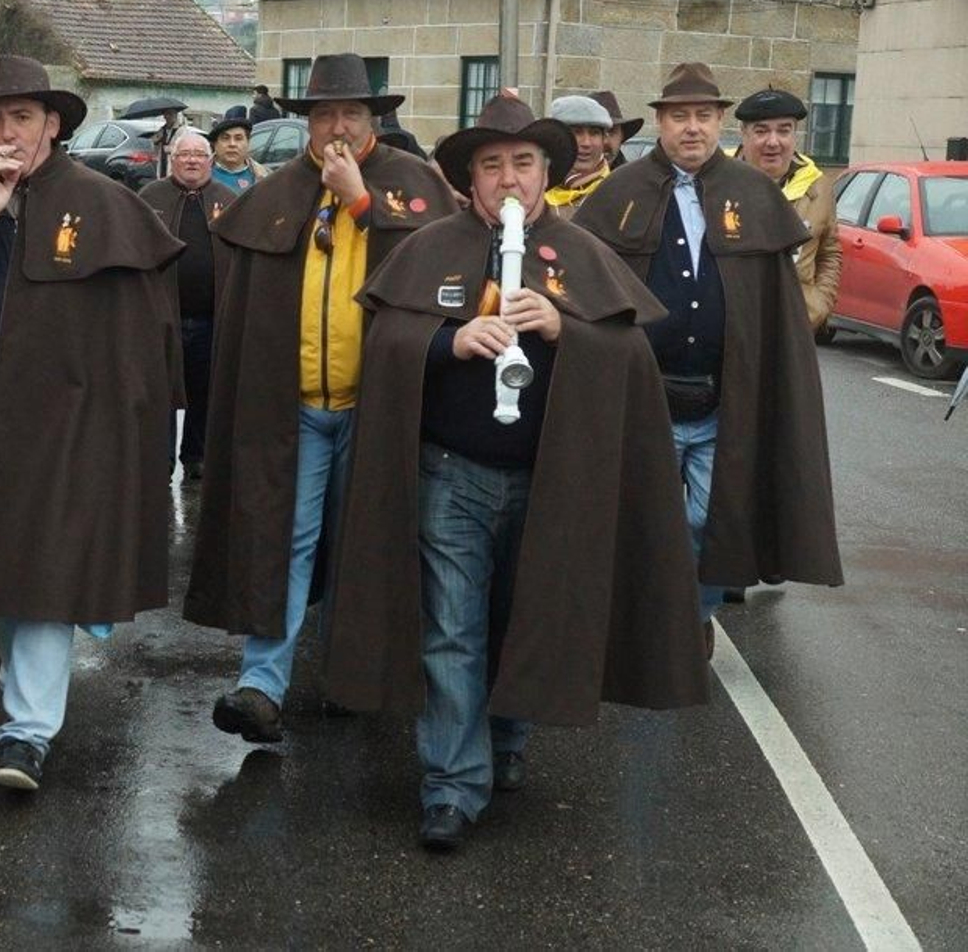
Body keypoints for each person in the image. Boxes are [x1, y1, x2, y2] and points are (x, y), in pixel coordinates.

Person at [322, 94, 708, 851]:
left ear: (545, 175)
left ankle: (505, 742)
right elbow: (390, 344)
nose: (508, 180)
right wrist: (448, 340)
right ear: (468, 179)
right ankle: (451, 784)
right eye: (491, 165)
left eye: (522, 164)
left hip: (549, 481)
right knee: (451, 631)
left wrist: (570, 331)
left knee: (522, 618)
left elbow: (630, 359)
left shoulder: (583, 250)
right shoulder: (430, 245)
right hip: (450, 474)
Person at [0, 56, 183, 792]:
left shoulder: (105, 204)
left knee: (38, 579)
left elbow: (137, 334)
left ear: (54, 124)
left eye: (21, 117)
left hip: (64, 432)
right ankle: (22, 706)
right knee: (4, 579)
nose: (6, 132)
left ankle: (25, 734)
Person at [185, 52, 457, 743]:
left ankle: (350, 674)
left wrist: (361, 201)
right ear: (306, 122)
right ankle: (260, 684)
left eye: (352, 114)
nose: (338, 127)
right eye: (325, 114)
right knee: (289, 539)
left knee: (360, 544)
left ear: (374, 119)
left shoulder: (412, 185)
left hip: (379, 411)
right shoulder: (277, 195)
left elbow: (430, 276)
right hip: (296, 411)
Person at [575, 63, 843, 651]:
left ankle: (692, 615)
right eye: (678, 117)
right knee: (646, 520)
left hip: (724, 399)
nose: (691, 129)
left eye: (702, 116)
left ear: (720, 122)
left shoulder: (753, 194)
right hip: (645, 398)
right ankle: (654, 627)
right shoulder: (618, 193)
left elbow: (776, 299)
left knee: (706, 519)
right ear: (660, 123)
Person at [140, 130, 237, 480]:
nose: (192, 160)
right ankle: (159, 459)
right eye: (185, 155)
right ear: (173, 159)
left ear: (210, 161)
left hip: (212, 317)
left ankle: (196, 457)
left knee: (205, 390)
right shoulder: (150, 198)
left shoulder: (228, 200)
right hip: (162, 317)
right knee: (161, 390)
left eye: (199, 154)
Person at [734, 87, 842, 331]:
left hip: (795, 327)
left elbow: (829, 251)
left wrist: (819, 304)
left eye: (784, 130)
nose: (773, 142)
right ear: (744, 133)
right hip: (732, 327)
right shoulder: (717, 181)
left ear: (795, 134)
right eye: (761, 131)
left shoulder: (818, 186)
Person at [543, 95, 613, 218]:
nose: (586, 142)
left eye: (594, 133)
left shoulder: (616, 193)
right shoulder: (532, 190)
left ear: (604, 139)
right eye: (576, 132)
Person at [208, 115, 268, 193]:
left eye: (238, 138)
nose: (232, 144)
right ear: (215, 144)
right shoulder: (199, 173)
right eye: (225, 138)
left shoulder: (264, 176)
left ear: (248, 143)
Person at [591, 90, 643, 169]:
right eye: (595, 133)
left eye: (611, 132)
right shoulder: (566, 177)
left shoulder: (636, 179)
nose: (605, 141)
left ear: (622, 135)